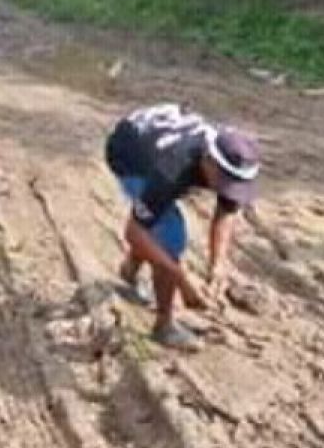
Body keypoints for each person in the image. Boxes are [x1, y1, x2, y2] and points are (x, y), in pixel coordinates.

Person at [105, 103, 261, 350]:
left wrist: (218, 263)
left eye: (237, 184)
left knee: (155, 221)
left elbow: (228, 209)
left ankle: (130, 270)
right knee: (170, 237)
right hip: (129, 151)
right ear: (208, 161)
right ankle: (164, 326)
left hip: (156, 139)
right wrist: (182, 279)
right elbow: (134, 231)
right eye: (225, 182)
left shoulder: (230, 157)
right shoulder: (171, 170)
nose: (229, 189)